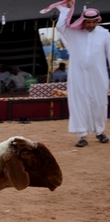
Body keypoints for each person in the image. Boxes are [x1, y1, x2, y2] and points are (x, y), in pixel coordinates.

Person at [56, 0, 110, 147]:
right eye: (88, 22)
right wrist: (67, 10)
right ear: (83, 21)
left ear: (98, 21)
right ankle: (82, 135)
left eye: (94, 22)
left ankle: (100, 132)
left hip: (98, 76)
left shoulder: (105, 34)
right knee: (78, 104)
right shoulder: (74, 33)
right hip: (77, 76)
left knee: (100, 104)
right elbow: (60, 27)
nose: (91, 25)